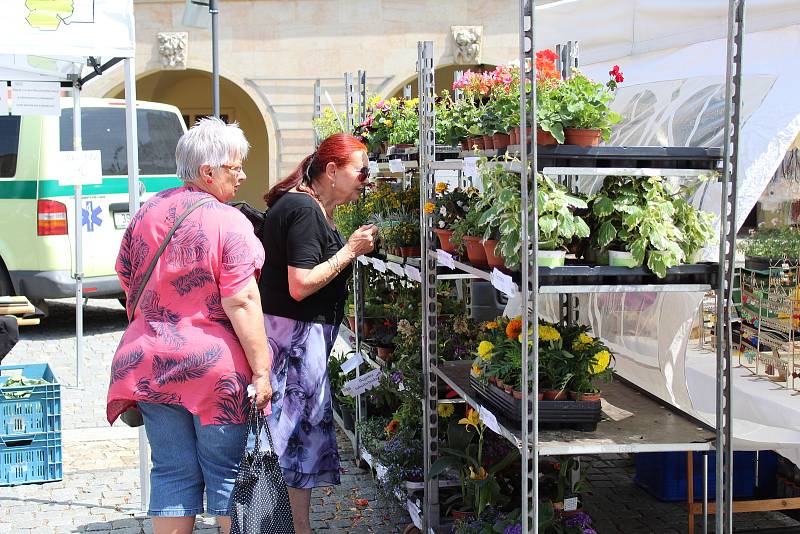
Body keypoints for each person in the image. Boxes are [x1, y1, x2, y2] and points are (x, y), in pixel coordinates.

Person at [106, 117, 272, 534]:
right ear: (208, 172)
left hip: (150, 363)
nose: (242, 175)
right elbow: (243, 300)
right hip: (213, 371)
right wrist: (262, 368)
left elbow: (126, 277)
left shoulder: (145, 213)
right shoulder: (230, 222)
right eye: (235, 167)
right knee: (230, 475)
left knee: (171, 472)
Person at [260, 133, 377, 533]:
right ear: (331, 171)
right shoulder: (304, 210)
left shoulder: (306, 206)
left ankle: (295, 526)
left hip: (295, 336)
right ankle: (290, 527)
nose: (367, 179)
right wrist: (350, 251)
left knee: (293, 437)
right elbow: (301, 283)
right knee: (290, 437)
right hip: (293, 340)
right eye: (361, 171)